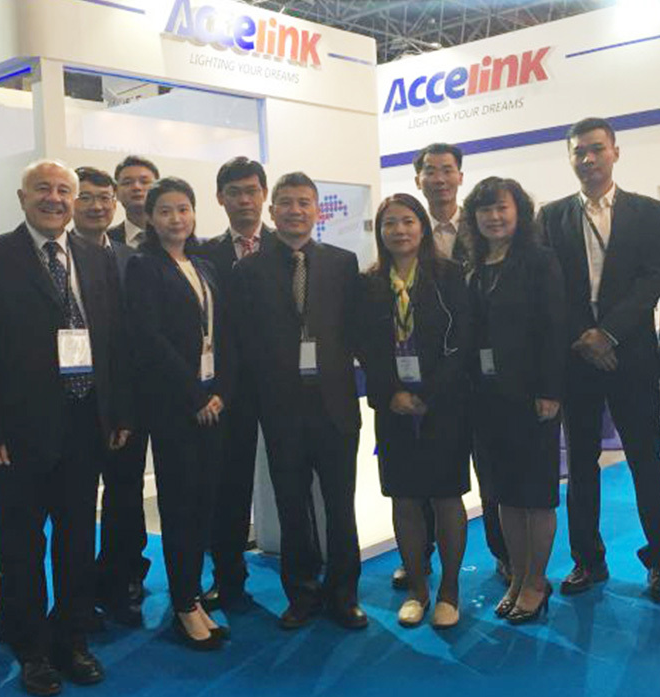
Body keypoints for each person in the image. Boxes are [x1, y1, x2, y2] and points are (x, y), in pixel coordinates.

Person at [0, 160, 131, 695]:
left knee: (77, 541)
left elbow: (114, 342)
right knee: (22, 547)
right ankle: (32, 648)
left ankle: (72, 639)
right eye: (43, 189)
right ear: (21, 197)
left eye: (63, 190)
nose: (54, 198)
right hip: (17, 434)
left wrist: (117, 413)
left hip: (85, 426)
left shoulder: (94, 257)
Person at [538, 117, 660, 603]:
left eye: (597, 149)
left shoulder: (648, 212)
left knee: (646, 460)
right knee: (581, 465)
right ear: (570, 158)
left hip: (632, 357)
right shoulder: (551, 217)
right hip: (575, 358)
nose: (588, 159)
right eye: (579, 151)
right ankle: (587, 560)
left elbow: (653, 280)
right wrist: (585, 337)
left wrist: (609, 334)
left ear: (615, 152)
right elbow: (551, 289)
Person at [234, 171, 367, 631]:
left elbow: (355, 331)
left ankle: (344, 594)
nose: (295, 210)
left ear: (317, 210)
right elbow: (245, 343)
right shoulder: (248, 270)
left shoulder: (342, 263)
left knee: (341, 506)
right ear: (272, 210)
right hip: (281, 410)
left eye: (304, 202)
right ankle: (302, 593)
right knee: (292, 508)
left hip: (335, 408)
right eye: (286, 202)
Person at [126, 177, 235, 649]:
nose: (177, 218)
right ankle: (184, 603)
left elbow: (224, 334)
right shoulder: (143, 267)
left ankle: (192, 593)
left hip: (214, 401)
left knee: (205, 504)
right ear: (150, 218)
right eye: (166, 210)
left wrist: (221, 391)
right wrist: (195, 397)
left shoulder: (204, 265)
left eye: (184, 209)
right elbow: (149, 339)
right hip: (176, 407)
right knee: (179, 507)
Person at [358, 193, 472, 629]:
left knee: (446, 497)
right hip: (394, 407)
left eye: (407, 221)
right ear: (380, 231)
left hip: (445, 405)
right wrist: (392, 393)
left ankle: (450, 592)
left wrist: (430, 394)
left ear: (422, 226)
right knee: (404, 497)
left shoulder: (449, 275)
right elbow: (365, 347)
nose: (399, 230)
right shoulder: (368, 283)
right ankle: (418, 591)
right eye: (390, 223)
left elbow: (463, 339)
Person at [465, 176, 566, 625]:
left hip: (532, 396)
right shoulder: (473, 265)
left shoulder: (540, 261)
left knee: (536, 494)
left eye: (501, 208)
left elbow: (554, 327)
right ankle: (518, 576)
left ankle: (536, 582)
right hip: (487, 399)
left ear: (519, 212)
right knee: (504, 493)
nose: (494, 217)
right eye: (485, 210)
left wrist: (550, 391)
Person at [410, 142, 508, 587]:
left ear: (460, 177)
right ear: (418, 180)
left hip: (481, 372)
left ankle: (503, 554)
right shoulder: (409, 229)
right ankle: (419, 554)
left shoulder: (482, 227)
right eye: (430, 171)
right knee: (429, 469)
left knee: (491, 471)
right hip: (429, 375)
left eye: (447, 170)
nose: (439, 179)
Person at [194, 156, 274, 610]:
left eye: (251, 191)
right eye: (234, 192)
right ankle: (229, 578)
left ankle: (304, 577)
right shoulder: (204, 256)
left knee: (292, 482)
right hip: (229, 390)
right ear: (220, 198)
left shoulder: (286, 246)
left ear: (264, 194)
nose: (244, 200)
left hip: (285, 385)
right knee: (228, 487)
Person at [71, 166, 148, 627]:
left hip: (124, 405)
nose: (97, 205)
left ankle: (121, 583)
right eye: (86, 197)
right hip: (75, 407)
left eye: (104, 197)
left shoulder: (128, 258)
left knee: (125, 499)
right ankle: (78, 597)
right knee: (77, 508)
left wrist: (127, 409)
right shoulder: (55, 258)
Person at [108, 155, 160, 249]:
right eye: (127, 183)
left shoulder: (176, 236)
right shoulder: (106, 239)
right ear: (116, 193)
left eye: (144, 182)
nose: (136, 187)